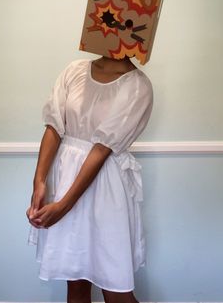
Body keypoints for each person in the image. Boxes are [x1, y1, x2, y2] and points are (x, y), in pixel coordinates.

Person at [26, 55, 153, 303]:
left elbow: (102, 148)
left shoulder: (138, 86)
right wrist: (39, 182)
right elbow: (53, 126)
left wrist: (64, 206)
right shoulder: (74, 71)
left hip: (105, 187)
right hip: (64, 180)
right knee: (75, 282)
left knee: (116, 291)